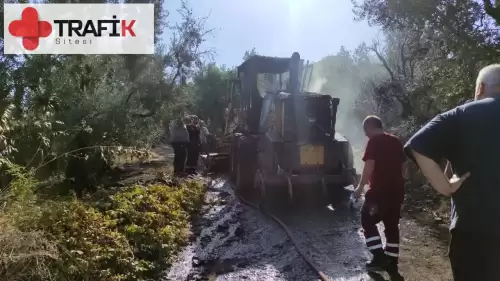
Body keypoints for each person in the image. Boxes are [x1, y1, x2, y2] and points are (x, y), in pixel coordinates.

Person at [403, 64, 500, 281]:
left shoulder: (462, 115)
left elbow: (417, 145)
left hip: (474, 231)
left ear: (481, 88)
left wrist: (445, 187)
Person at [353, 115, 406, 277]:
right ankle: (391, 260)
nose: (365, 135)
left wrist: (360, 187)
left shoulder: (374, 142)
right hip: (397, 191)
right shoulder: (396, 141)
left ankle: (378, 257)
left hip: (379, 191)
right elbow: (404, 165)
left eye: (365, 130)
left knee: (367, 220)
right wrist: (399, 182)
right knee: (391, 224)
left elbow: (370, 164)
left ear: (370, 126)